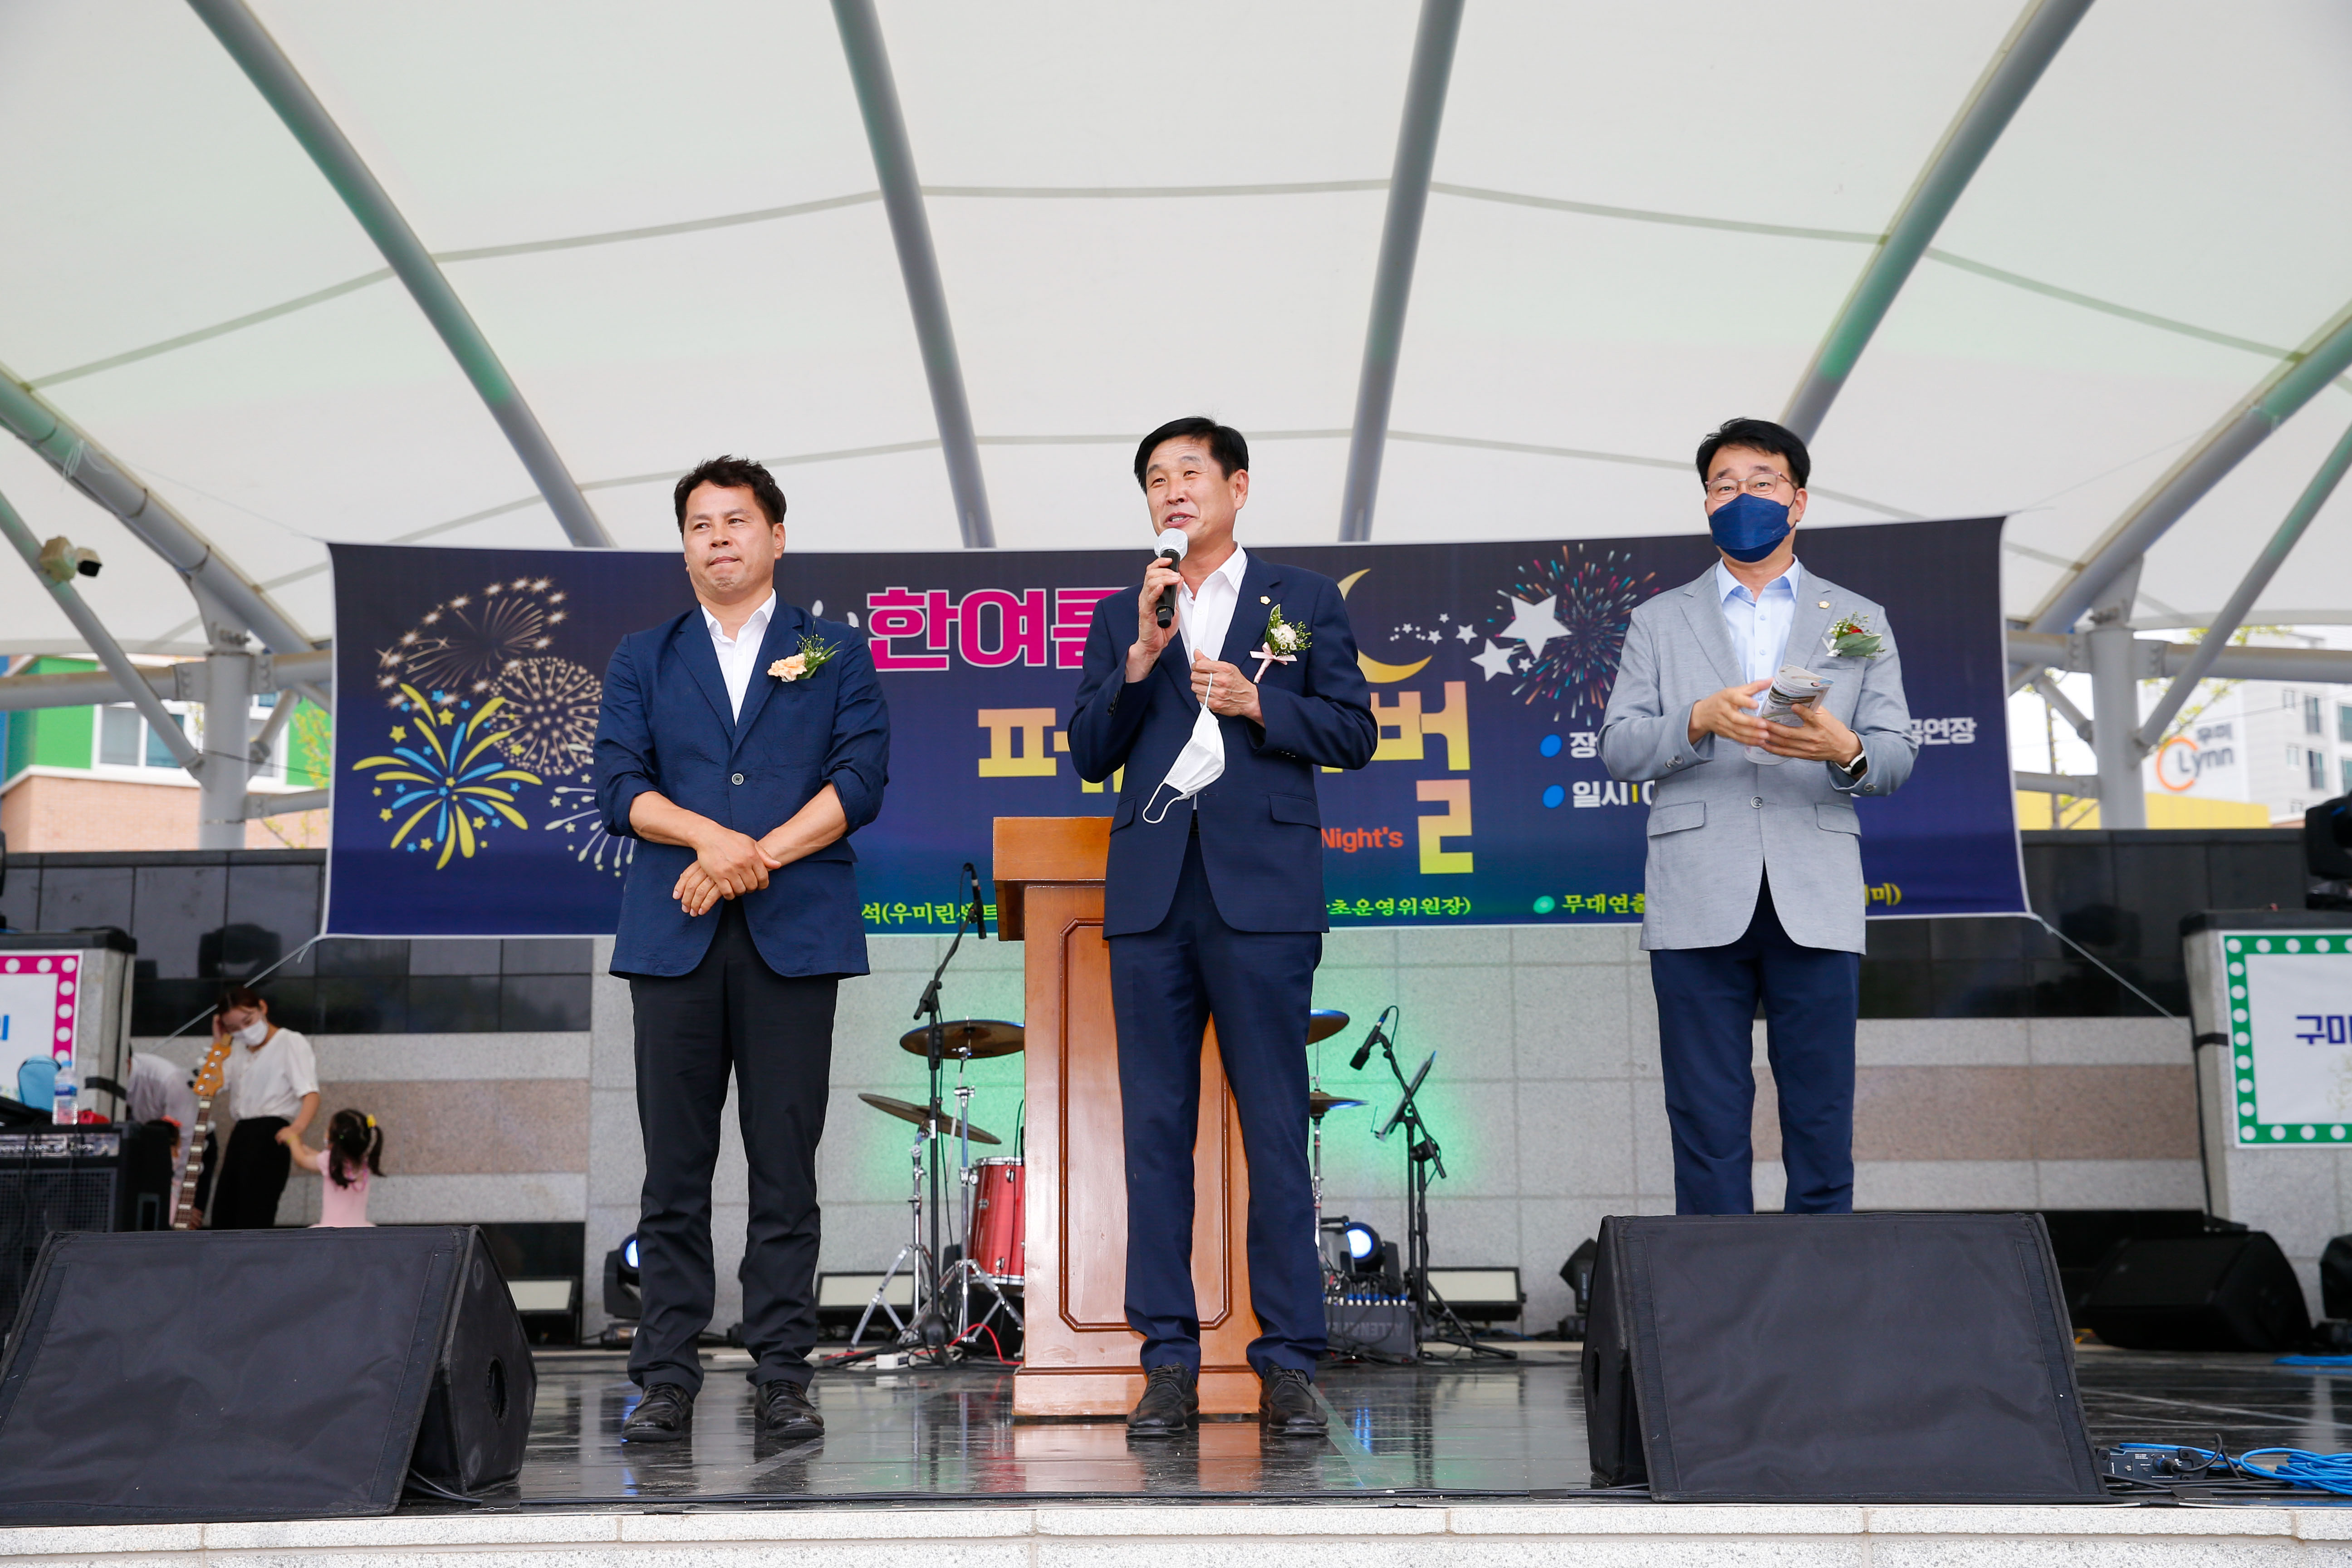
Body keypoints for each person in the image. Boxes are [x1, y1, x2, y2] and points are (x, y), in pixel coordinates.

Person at [1068, 417, 1377, 1437]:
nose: (1172, 491)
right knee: (1155, 1137)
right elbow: (1088, 751)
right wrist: (1139, 658)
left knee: (1275, 1131)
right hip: (1152, 900)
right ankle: (1167, 1362)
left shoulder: (1304, 599)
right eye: (1155, 478)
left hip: (1263, 897)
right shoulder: (1123, 611)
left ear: (1237, 487)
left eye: (1189, 473)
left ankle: (1288, 1360)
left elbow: (1355, 732)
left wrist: (1257, 705)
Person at [594, 455, 889, 1444]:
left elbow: (860, 781)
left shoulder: (834, 650)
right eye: (699, 525)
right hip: (671, 939)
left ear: (777, 536)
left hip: (792, 938)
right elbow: (618, 786)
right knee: (673, 1172)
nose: (717, 538)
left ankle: (782, 1373)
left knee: (785, 1168)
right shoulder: (644, 655)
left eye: (736, 521)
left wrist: (747, 858)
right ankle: (665, 1374)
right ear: (684, 547)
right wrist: (707, 841)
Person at [1599, 417, 1916, 1216]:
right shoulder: (1659, 619)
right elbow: (1619, 747)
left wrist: (1843, 746)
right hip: (1697, 891)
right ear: (1706, 504)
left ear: (1797, 500)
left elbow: (1894, 754)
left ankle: (1822, 1284)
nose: (1741, 497)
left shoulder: (1855, 619)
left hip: (1815, 889)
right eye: (1723, 485)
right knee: (1705, 1117)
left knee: (1820, 1113)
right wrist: (1697, 720)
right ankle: (1715, 1288)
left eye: (1761, 482)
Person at [204, 985, 318, 1229]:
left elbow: (310, 1093)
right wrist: (219, 1043)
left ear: (262, 1008)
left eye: (248, 1021)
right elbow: (209, 1087)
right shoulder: (236, 1049)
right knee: (224, 1214)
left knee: (255, 1215)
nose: (244, 1031)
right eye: (234, 1028)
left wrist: (296, 1131)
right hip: (241, 1134)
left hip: (270, 1133)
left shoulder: (289, 1041)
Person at [284, 1108, 384, 1227]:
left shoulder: (329, 1161)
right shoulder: (364, 1164)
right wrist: (302, 1147)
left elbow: (302, 1160)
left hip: (333, 1231)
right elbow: (319, 1157)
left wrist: (292, 1139)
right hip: (360, 1230)